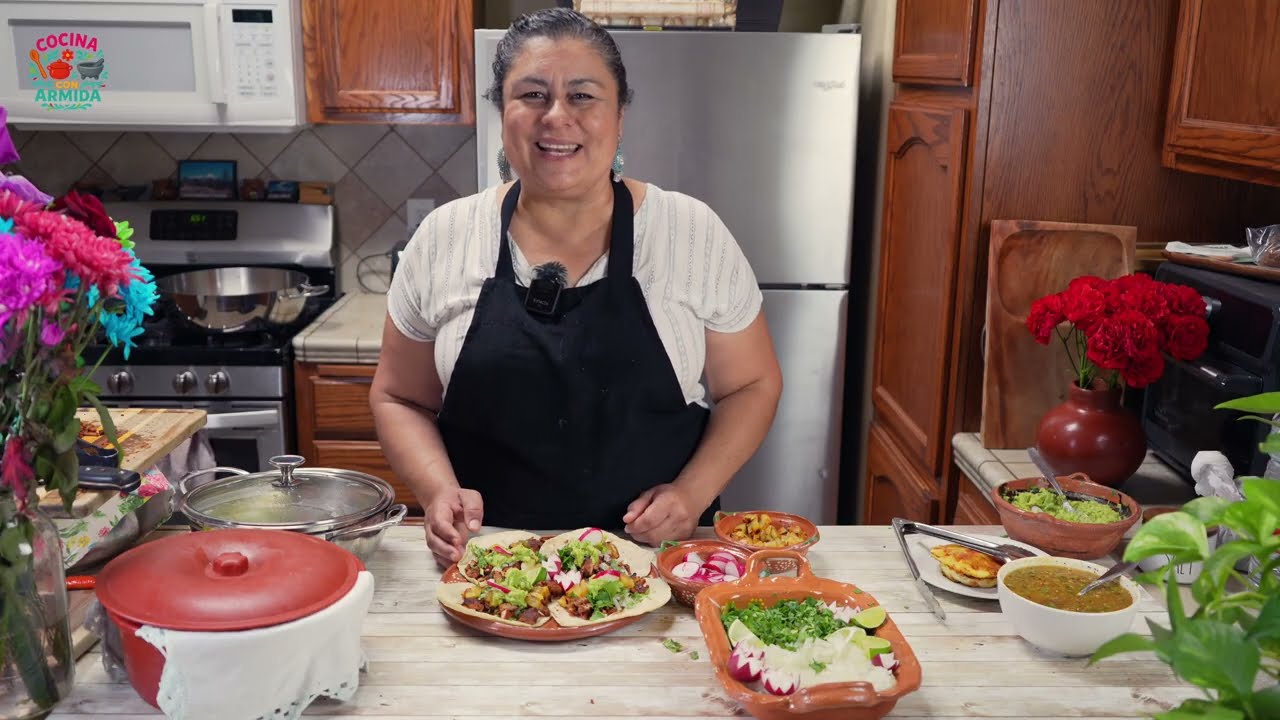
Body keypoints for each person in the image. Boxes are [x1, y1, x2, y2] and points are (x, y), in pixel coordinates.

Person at [370, 7, 783, 568]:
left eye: (584, 96)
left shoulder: (690, 232)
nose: (557, 116)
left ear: (619, 115)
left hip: (653, 563)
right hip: (486, 565)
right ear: (502, 112)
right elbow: (399, 397)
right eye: (533, 95)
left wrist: (691, 494)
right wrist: (437, 490)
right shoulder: (444, 237)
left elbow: (753, 384)